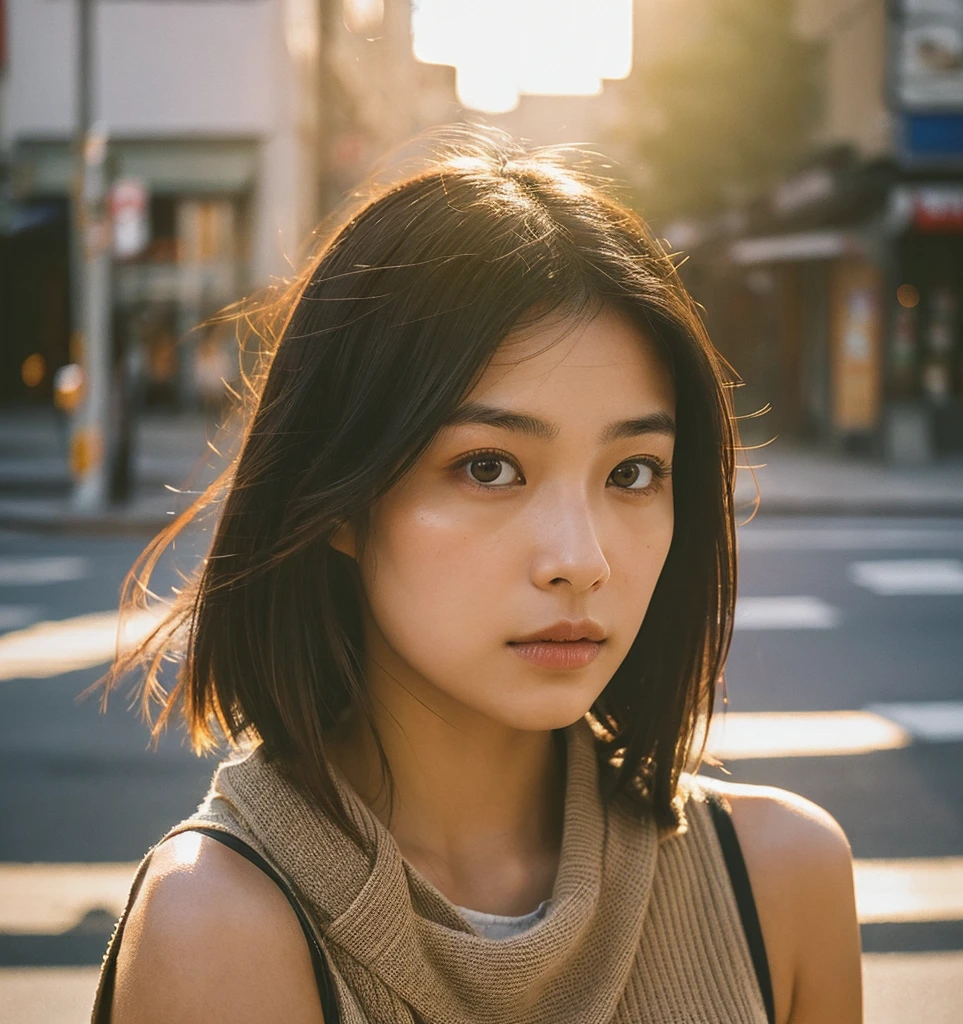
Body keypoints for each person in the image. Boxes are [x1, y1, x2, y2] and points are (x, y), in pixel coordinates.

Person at [92, 130, 862, 1024]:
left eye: (633, 473)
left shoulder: (781, 880)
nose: (581, 560)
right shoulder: (217, 927)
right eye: (489, 467)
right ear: (337, 496)